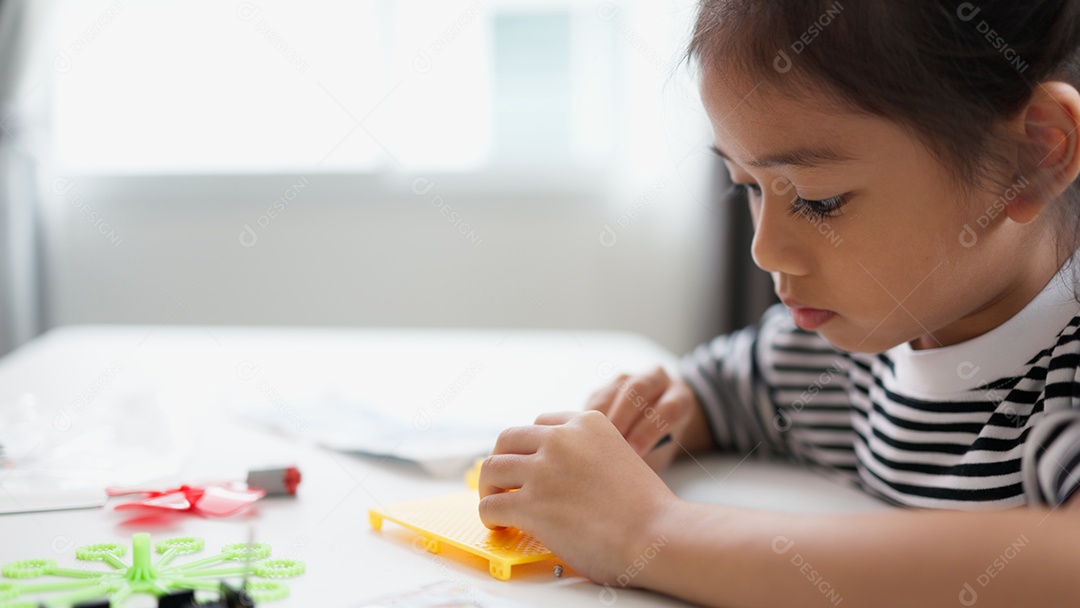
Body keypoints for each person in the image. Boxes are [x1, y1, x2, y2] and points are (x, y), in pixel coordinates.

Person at [477, 1, 1080, 606]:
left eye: (820, 201)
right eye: (748, 187)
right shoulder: (829, 352)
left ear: (1033, 155)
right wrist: (666, 415)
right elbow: (721, 394)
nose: (764, 252)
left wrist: (653, 533)